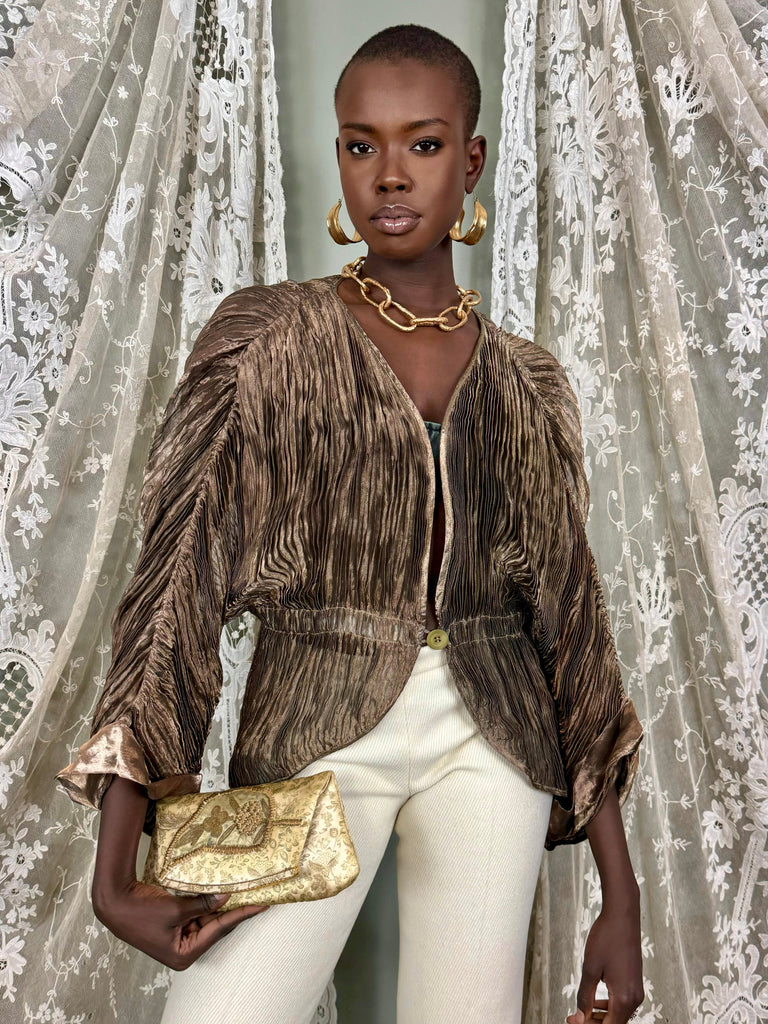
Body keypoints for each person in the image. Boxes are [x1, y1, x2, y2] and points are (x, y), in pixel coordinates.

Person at [55, 23, 645, 1024]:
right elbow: (175, 586)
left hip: (494, 740)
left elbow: (572, 627)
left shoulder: (530, 385)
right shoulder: (268, 341)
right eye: (361, 144)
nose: (390, 175)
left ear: (471, 162)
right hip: (315, 727)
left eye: (424, 143)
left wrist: (618, 898)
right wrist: (115, 874)